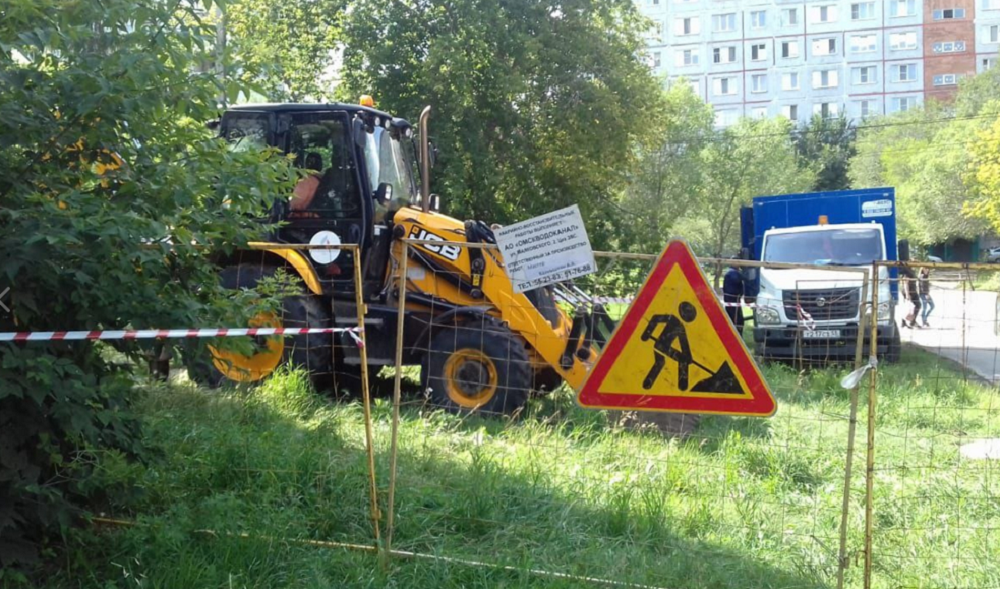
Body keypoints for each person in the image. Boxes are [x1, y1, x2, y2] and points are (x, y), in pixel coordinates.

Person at [722, 261, 745, 332]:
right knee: (736, 319)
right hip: (733, 299)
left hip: (733, 299)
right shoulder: (732, 273)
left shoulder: (732, 272)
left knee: (735, 318)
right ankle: (736, 333)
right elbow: (740, 278)